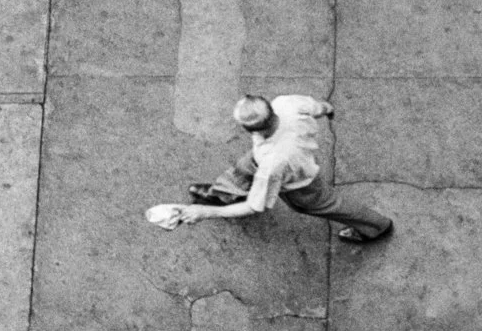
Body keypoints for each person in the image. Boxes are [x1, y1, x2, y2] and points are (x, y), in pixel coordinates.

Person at [155, 93, 394, 242]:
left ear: (251, 130)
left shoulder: (271, 165)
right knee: (243, 168)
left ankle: (376, 226)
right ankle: (222, 194)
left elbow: (255, 206)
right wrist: (328, 110)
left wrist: (205, 213)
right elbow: (320, 107)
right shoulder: (286, 104)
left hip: (300, 183)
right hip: (283, 157)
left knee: (330, 205)